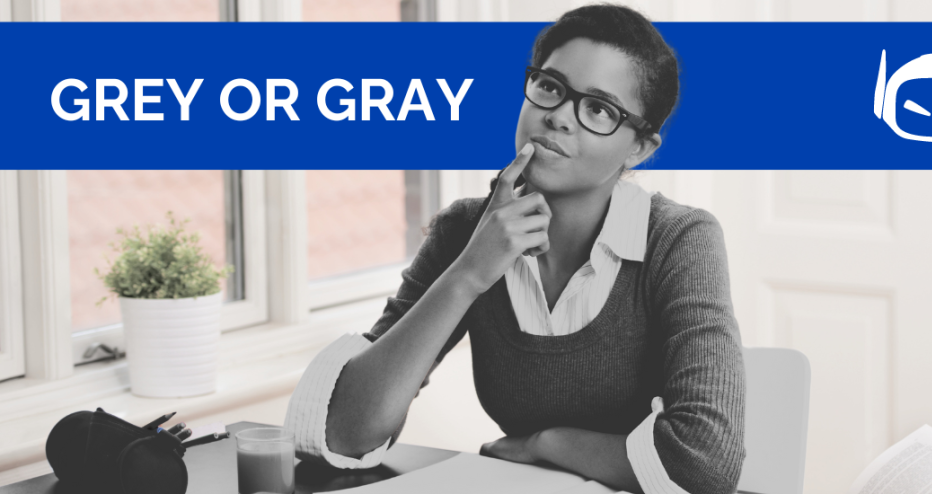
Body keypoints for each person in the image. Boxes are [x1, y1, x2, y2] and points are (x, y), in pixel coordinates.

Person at [284, 5, 746, 494]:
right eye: (550, 86)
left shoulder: (679, 240)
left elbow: (704, 463)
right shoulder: (467, 230)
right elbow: (343, 435)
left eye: (598, 110)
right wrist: (467, 274)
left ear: (639, 148)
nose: (558, 117)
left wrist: (546, 443)